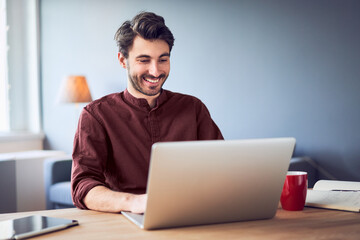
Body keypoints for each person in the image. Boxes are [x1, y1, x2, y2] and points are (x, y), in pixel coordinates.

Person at [71, 11, 223, 214]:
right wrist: (134, 203)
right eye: (144, 60)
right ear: (123, 60)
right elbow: (82, 186)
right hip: (125, 220)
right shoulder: (96, 115)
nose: (155, 71)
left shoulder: (193, 108)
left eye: (163, 59)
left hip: (189, 215)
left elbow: (222, 168)